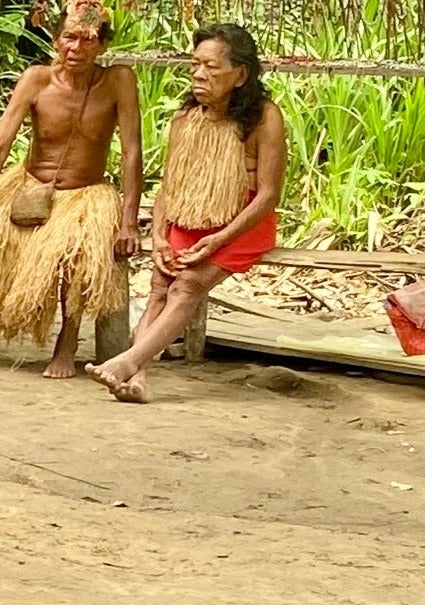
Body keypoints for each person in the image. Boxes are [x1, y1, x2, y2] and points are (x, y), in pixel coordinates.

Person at [0, 0, 141, 379]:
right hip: (29, 186)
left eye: (87, 39)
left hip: (86, 195)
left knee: (78, 258)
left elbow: (132, 152)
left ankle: (66, 343)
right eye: (69, 37)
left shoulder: (118, 81)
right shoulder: (36, 79)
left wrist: (128, 222)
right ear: (55, 40)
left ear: (103, 44)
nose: (76, 47)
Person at [89, 21, 285, 403]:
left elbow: (268, 196)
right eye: (195, 64)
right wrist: (159, 234)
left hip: (245, 224)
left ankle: (128, 362)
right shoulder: (185, 118)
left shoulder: (265, 118)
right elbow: (170, 185)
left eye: (211, 67)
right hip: (189, 219)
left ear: (240, 74)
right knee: (161, 286)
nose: (198, 73)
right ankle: (136, 379)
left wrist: (220, 238)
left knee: (188, 285)